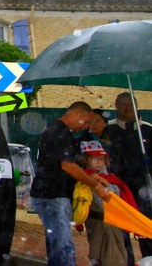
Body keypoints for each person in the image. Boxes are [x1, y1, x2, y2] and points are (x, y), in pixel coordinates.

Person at [30, 101, 112, 266]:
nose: (86, 127)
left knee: (57, 246)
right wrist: (95, 186)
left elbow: (69, 164)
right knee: (64, 248)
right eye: (86, 121)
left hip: (49, 194)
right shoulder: (59, 131)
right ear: (77, 113)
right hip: (53, 195)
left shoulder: (57, 130)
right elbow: (67, 165)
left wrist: (90, 176)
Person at [107, 91, 152, 260]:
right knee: (121, 229)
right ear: (116, 106)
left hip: (144, 187)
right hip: (119, 187)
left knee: (147, 227)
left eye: (130, 104)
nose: (127, 108)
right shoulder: (109, 129)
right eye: (123, 104)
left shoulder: (146, 129)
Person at [78, 140, 133, 266]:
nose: (99, 163)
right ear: (86, 160)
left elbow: (115, 197)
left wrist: (106, 184)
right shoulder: (83, 177)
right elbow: (99, 200)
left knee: (117, 252)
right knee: (98, 254)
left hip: (113, 222)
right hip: (96, 223)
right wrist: (95, 184)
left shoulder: (109, 178)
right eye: (95, 159)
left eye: (102, 159)